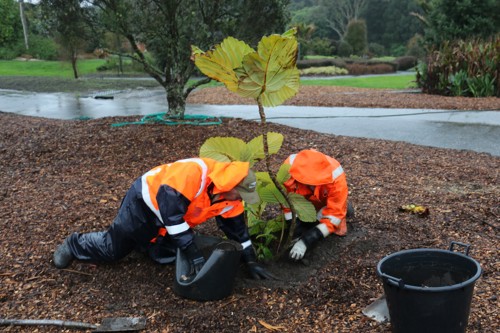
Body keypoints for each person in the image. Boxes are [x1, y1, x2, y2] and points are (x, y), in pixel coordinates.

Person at [53, 157, 275, 280]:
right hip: (144, 202)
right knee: (112, 250)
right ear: (230, 186)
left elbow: (238, 233)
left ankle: (148, 245)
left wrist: (250, 260)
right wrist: (194, 255)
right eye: (241, 193)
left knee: (165, 254)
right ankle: (73, 245)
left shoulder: (231, 200)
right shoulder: (192, 175)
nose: (241, 199)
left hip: (172, 217)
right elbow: (174, 220)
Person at [281, 149, 351, 260]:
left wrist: (306, 240)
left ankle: (346, 208)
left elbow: (334, 216)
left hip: (325, 200)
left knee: (335, 223)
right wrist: (295, 230)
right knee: (303, 223)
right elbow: (287, 203)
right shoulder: (289, 168)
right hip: (303, 198)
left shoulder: (336, 178)